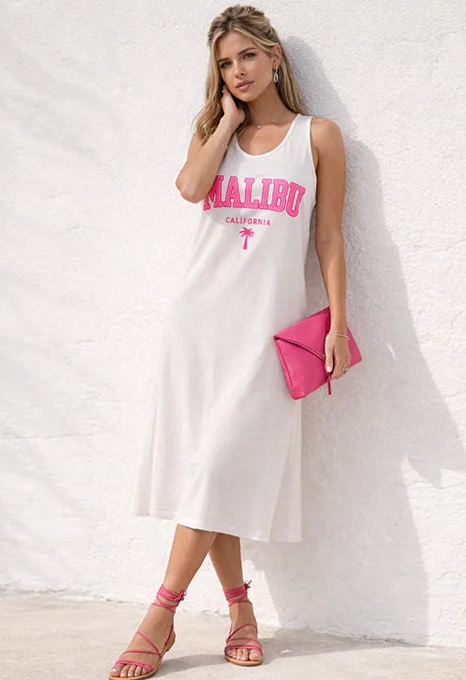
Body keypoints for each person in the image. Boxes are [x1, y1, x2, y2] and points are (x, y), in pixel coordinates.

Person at [109, 4, 350, 678]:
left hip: (268, 337)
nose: (237, 71)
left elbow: (329, 236)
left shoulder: (318, 137)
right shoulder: (214, 132)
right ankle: (241, 609)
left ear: (274, 56)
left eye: (247, 56)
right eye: (224, 63)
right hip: (198, 327)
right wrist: (223, 125)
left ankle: (160, 614)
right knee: (207, 475)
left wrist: (338, 321)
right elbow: (190, 188)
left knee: (217, 467)